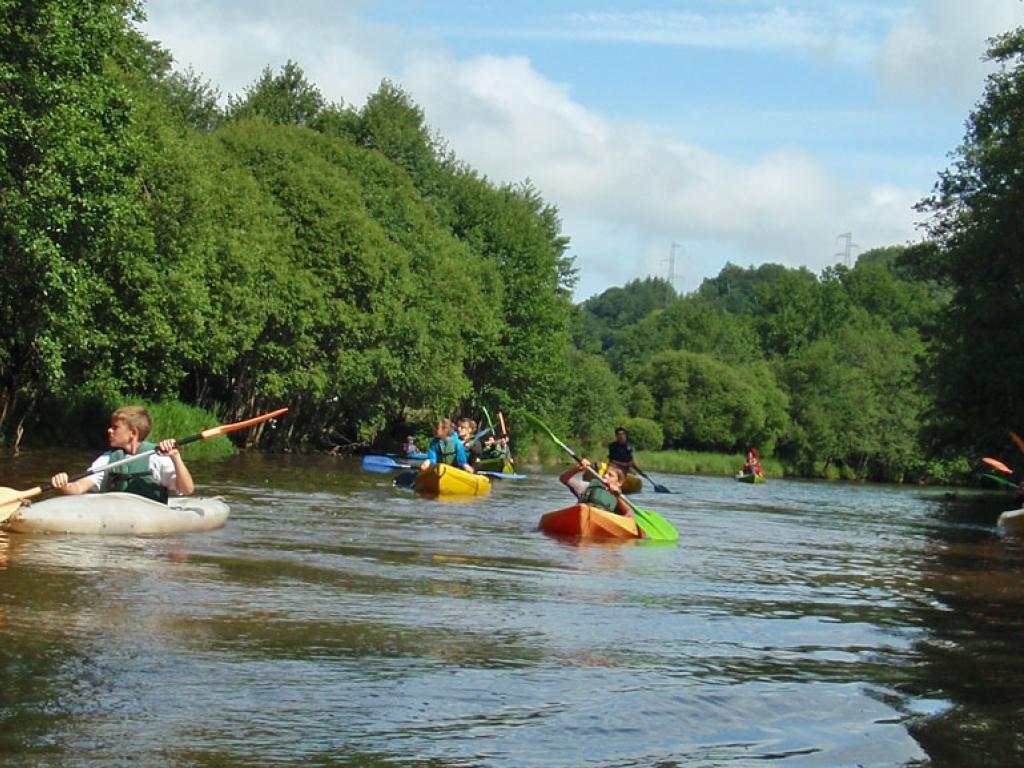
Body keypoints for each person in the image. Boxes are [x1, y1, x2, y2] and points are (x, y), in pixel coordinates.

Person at [50, 405, 195, 502]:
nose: (109, 430)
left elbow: (187, 489)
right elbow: (78, 488)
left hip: (150, 535)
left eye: (115, 427)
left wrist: (175, 457)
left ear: (133, 432)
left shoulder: (157, 458)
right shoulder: (107, 459)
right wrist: (63, 484)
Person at [560, 458, 632, 517]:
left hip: (604, 520)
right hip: (582, 514)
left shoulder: (621, 499)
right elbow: (564, 479)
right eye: (605, 473)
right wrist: (578, 469)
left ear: (619, 482)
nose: (605, 476)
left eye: (610, 475)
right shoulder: (589, 486)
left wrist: (616, 495)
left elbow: (626, 512)